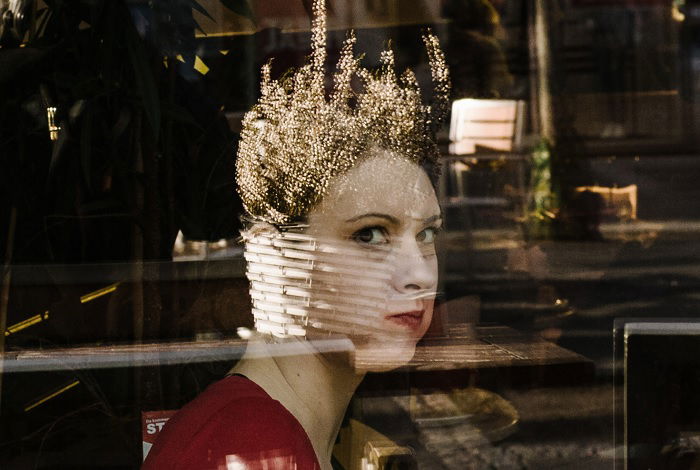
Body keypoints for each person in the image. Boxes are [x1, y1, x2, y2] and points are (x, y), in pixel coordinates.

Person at [142, 0, 450, 468]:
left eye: (425, 235)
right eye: (369, 235)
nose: (418, 277)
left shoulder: (277, 430)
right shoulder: (251, 446)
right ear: (274, 253)